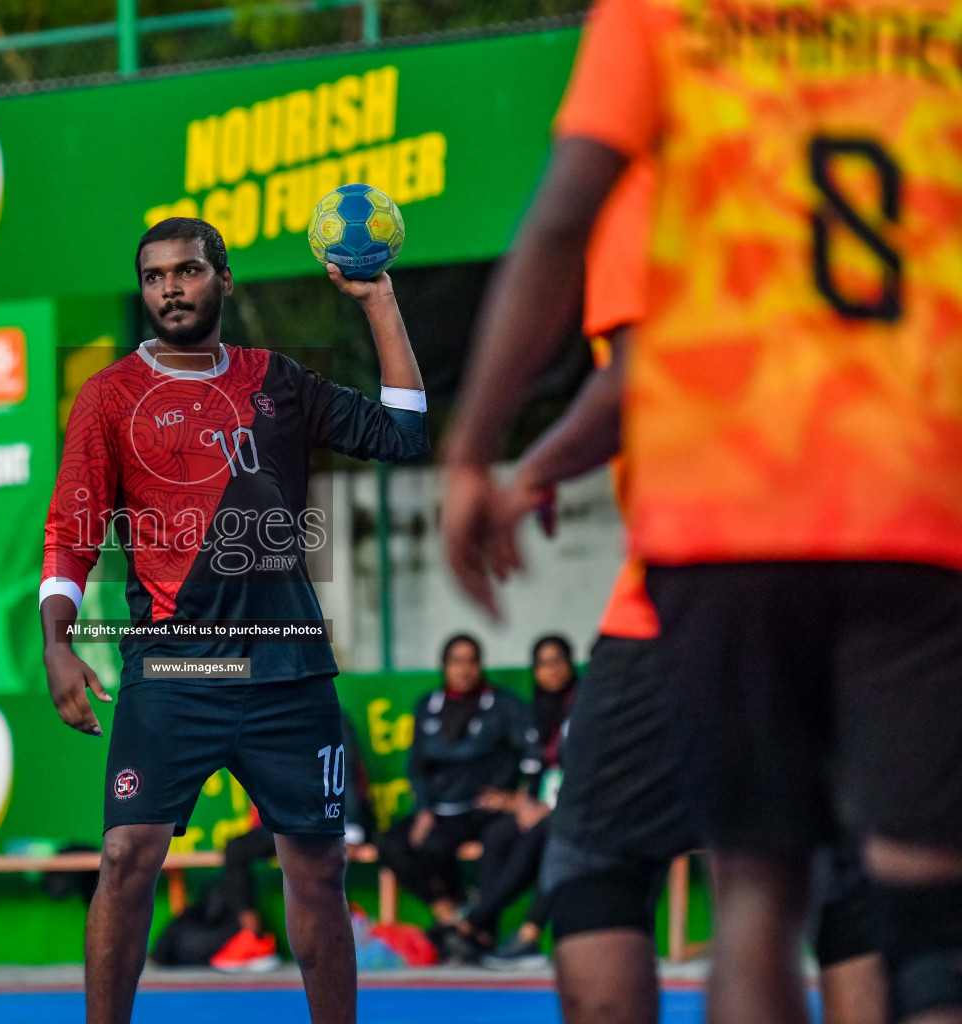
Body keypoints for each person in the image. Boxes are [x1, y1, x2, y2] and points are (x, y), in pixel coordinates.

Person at [439, 1, 943, 1017]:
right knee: (925, 914)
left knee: (750, 888)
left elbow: (567, 226)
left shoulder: (664, 32)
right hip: (913, 501)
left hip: (730, 516)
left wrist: (477, 452)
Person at [40, 216, 428, 1024]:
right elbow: (71, 531)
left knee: (319, 869)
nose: (170, 288)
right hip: (176, 672)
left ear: (223, 279)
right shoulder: (109, 398)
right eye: (154, 277)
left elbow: (404, 433)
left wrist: (380, 301)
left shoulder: (277, 380)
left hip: (287, 671)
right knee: (125, 855)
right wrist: (57, 641)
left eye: (186, 271)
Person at [374, 634, 543, 937]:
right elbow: (416, 767)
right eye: (456, 662)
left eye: (471, 661)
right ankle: (449, 910)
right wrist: (424, 809)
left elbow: (533, 756)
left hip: (480, 810)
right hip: (438, 809)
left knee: (438, 844)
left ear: (480, 665)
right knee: (389, 842)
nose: (463, 669)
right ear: (445, 666)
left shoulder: (503, 705)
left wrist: (521, 797)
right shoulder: (428, 705)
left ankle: (474, 925)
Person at [449, 634, 578, 968]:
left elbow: (588, 768)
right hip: (541, 805)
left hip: (578, 807)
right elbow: (535, 769)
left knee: (545, 835)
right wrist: (524, 804)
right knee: (498, 834)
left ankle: (519, 933)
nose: (551, 670)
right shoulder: (533, 712)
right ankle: (485, 932)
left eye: (558, 661)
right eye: (543, 664)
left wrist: (548, 808)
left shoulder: (585, 707)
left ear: (570, 664)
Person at [211, 717, 372, 972]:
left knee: (317, 861)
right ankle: (253, 939)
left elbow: (346, 774)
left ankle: (342, 934)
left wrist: (350, 830)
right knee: (237, 849)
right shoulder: (266, 719)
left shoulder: (332, 717)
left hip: (329, 818)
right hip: (285, 818)